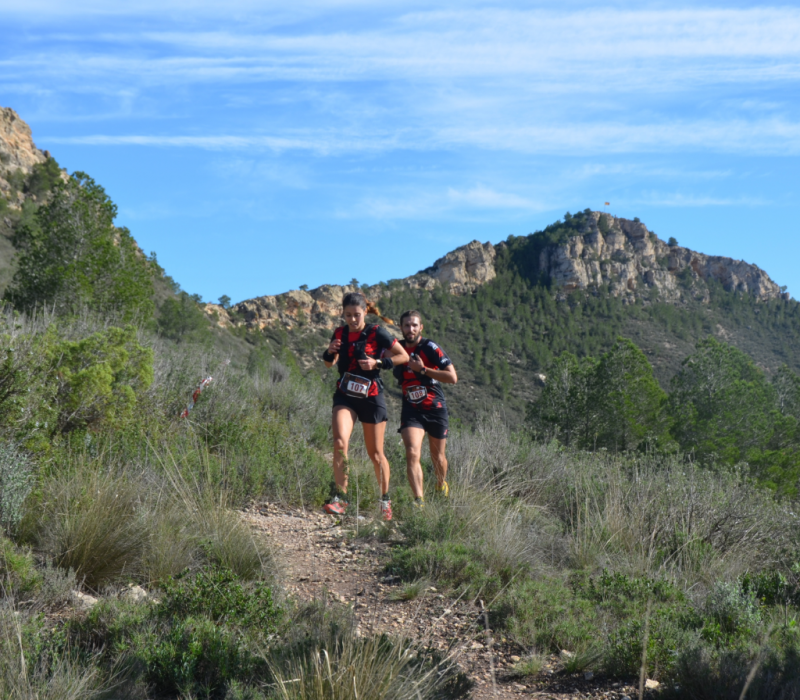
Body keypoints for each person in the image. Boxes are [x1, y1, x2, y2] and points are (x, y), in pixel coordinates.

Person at [321, 292, 409, 520]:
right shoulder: (340, 333)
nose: (352, 320)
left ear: (365, 312)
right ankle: (341, 499)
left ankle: (385, 500)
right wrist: (329, 351)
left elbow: (404, 356)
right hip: (345, 395)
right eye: (348, 315)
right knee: (340, 442)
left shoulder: (376, 332)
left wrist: (378, 362)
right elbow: (329, 364)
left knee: (376, 453)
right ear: (343, 313)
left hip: (371, 397)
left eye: (356, 315)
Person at [393, 309, 457, 507]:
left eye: (414, 325)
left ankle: (440, 484)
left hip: (435, 408)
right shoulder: (398, 349)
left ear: (421, 327)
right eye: (406, 325)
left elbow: (452, 377)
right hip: (412, 410)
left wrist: (422, 370)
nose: (410, 329)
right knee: (412, 452)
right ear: (401, 328)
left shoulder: (430, 347)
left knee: (438, 457)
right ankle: (419, 501)